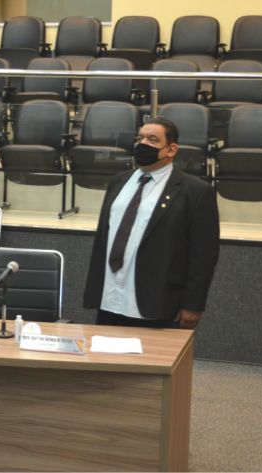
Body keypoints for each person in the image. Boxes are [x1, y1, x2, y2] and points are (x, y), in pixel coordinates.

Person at [83, 117, 220, 329]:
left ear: (171, 149)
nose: (143, 144)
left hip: (158, 302)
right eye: (140, 138)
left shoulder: (195, 191)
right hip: (110, 297)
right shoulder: (119, 181)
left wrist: (193, 304)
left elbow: (203, 255)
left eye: (153, 140)